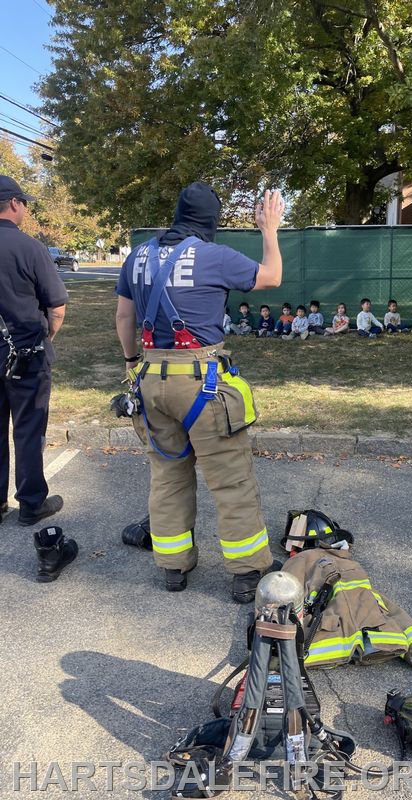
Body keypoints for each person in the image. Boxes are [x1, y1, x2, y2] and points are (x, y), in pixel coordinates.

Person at [115, 182, 284, 597]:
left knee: (168, 476)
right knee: (230, 480)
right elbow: (273, 277)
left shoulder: (138, 256)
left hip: (150, 381)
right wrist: (269, 230)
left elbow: (123, 315)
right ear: (211, 221)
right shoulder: (214, 256)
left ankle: (173, 568)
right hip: (202, 384)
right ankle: (246, 575)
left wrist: (131, 363)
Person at [0, 175, 76, 578]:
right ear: (13, 204)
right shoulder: (29, 247)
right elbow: (57, 306)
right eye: (24, 202)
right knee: (28, 427)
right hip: (24, 352)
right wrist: (43, 337)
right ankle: (30, 503)